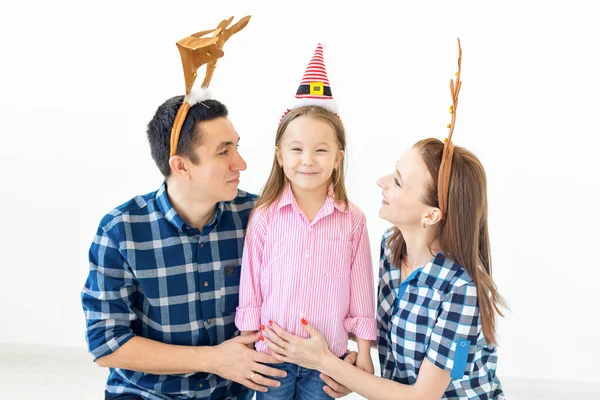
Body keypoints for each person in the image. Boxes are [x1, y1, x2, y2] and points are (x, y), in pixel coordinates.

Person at [259, 40, 507, 399]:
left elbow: (422, 396)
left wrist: (325, 362)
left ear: (431, 214)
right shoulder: (393, 248)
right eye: (393, 172)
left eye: (398, 181)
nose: (381, 182)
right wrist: (348, 367)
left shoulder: (461, 290)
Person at [81, 19, 289, 399]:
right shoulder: (121, 231)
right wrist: (213, 359)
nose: (241, 163)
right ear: (181, 165)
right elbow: (106, 346)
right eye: (223, 152)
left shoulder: (258, 217)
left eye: (237, 146)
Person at [235, 44, 377, 400]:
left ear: (337, 158)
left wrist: (364, 351)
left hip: (327, 358)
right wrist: (249, 341)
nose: (307, 160)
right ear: (280, 156)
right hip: (273, 353)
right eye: (296, 149)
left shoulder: (353, 220)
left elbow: (361, 289)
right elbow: (251, 283)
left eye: (321, 150)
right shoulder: (265, 216)